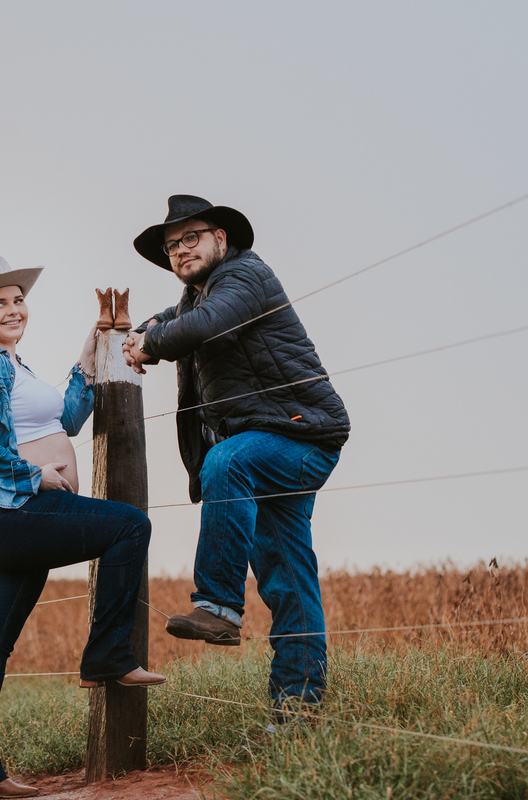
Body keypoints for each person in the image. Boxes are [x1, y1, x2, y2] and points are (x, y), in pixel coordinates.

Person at [0, 256, 164, 800]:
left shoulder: (16, 367)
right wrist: (33, 475)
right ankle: (108, 654)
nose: (13, 309)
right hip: (8, 513)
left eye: (18, 299)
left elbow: (65, 419)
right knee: (129, 527)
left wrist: (88, 360)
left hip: (5, 521)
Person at [121, 196, 350, 714]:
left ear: (221, 239)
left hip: (302, 437)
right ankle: (297, 708)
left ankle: (218, 607)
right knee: (288, 574)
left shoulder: (246, 276)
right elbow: (169, 321)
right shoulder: (191, 301)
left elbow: (204, 327)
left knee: (226, 461)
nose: (181, 250)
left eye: (191, 238)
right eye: (172, 245)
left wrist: (151, 344)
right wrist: (135, 337)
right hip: (267, 445)